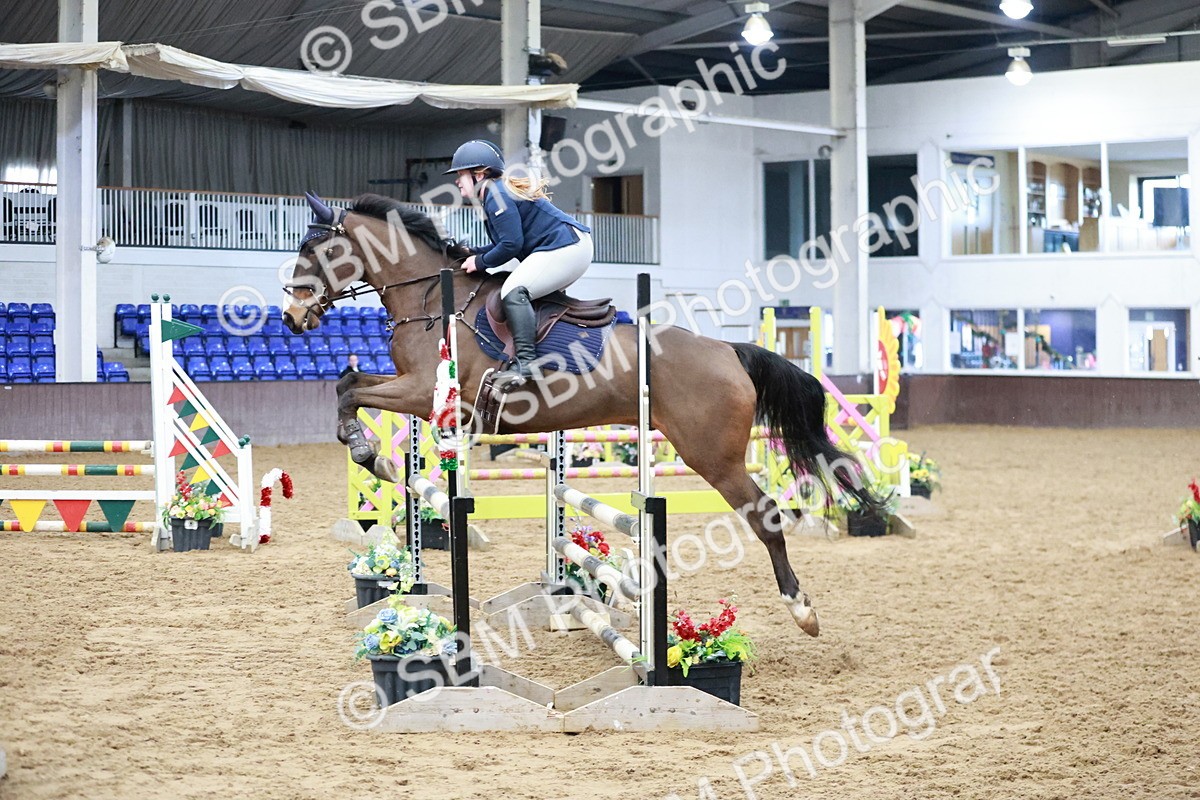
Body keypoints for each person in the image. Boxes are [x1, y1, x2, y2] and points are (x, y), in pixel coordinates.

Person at [448, 140, 594, 391]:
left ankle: (526, 363)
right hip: (566, 247)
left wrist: (480, 262)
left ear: (479, 173)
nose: (457, 181)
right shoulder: (494, 194)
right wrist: (472, 254)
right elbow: (504, 244)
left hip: (566, 247)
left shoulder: (496, 194)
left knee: (513, 291)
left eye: (461, 174)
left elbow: (511, 246)